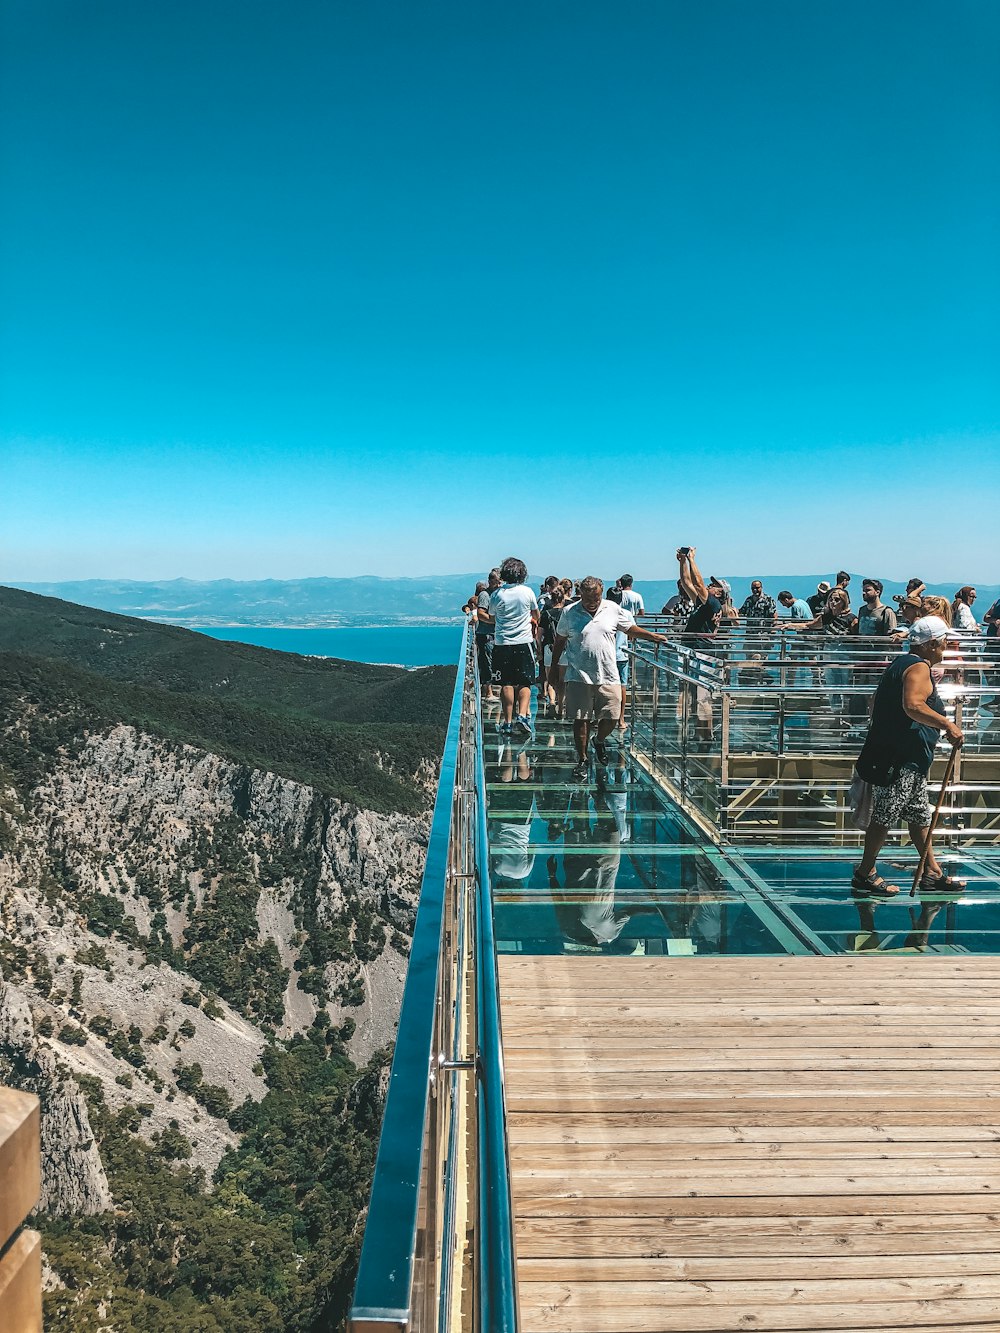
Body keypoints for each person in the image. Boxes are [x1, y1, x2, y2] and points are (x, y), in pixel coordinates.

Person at [852, 615, 965, 896]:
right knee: (885, 815)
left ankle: (932, 872)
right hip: (901, 758)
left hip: (905, 757)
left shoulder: (901, 664)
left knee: (918, 816)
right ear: (931, 644)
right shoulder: (918, 668)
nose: (945, 649)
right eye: (943, 644)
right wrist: (947, 724)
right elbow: (913, 705)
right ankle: (865, 872)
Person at [551, 576, 669, 780]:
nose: (592, 603)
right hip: (579, 675)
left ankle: (599, 740)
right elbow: (560, 639)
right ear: (581, 595)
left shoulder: (612, 609)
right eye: (588, 599)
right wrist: (553, 667)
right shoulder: (570, 613)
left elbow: (629, 628)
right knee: (581, 719)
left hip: (608, 673)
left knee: (613, 715)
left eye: (595, 598)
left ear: (601, 593)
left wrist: (652, 636)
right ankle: (582, 759)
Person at [484, 556, 539, 736]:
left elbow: (492, 616)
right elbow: (536, 613)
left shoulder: (497, 594)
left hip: (502, 642)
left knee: (506, 683)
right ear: (522, 574)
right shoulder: (527, 592)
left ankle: (507, 722)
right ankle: (522, 717)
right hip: (524, 642)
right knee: (525, 682)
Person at [474, 568, 501, 699]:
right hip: (485, 634)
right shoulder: (485, 595)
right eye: (497, 581)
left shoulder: (498, 594)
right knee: (486, 662)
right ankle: (488, 692)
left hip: (495, 633)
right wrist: (495, 620)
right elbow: (480, 614)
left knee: (495, 662)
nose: (500, 584)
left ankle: (493, 690)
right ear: (491, 581)